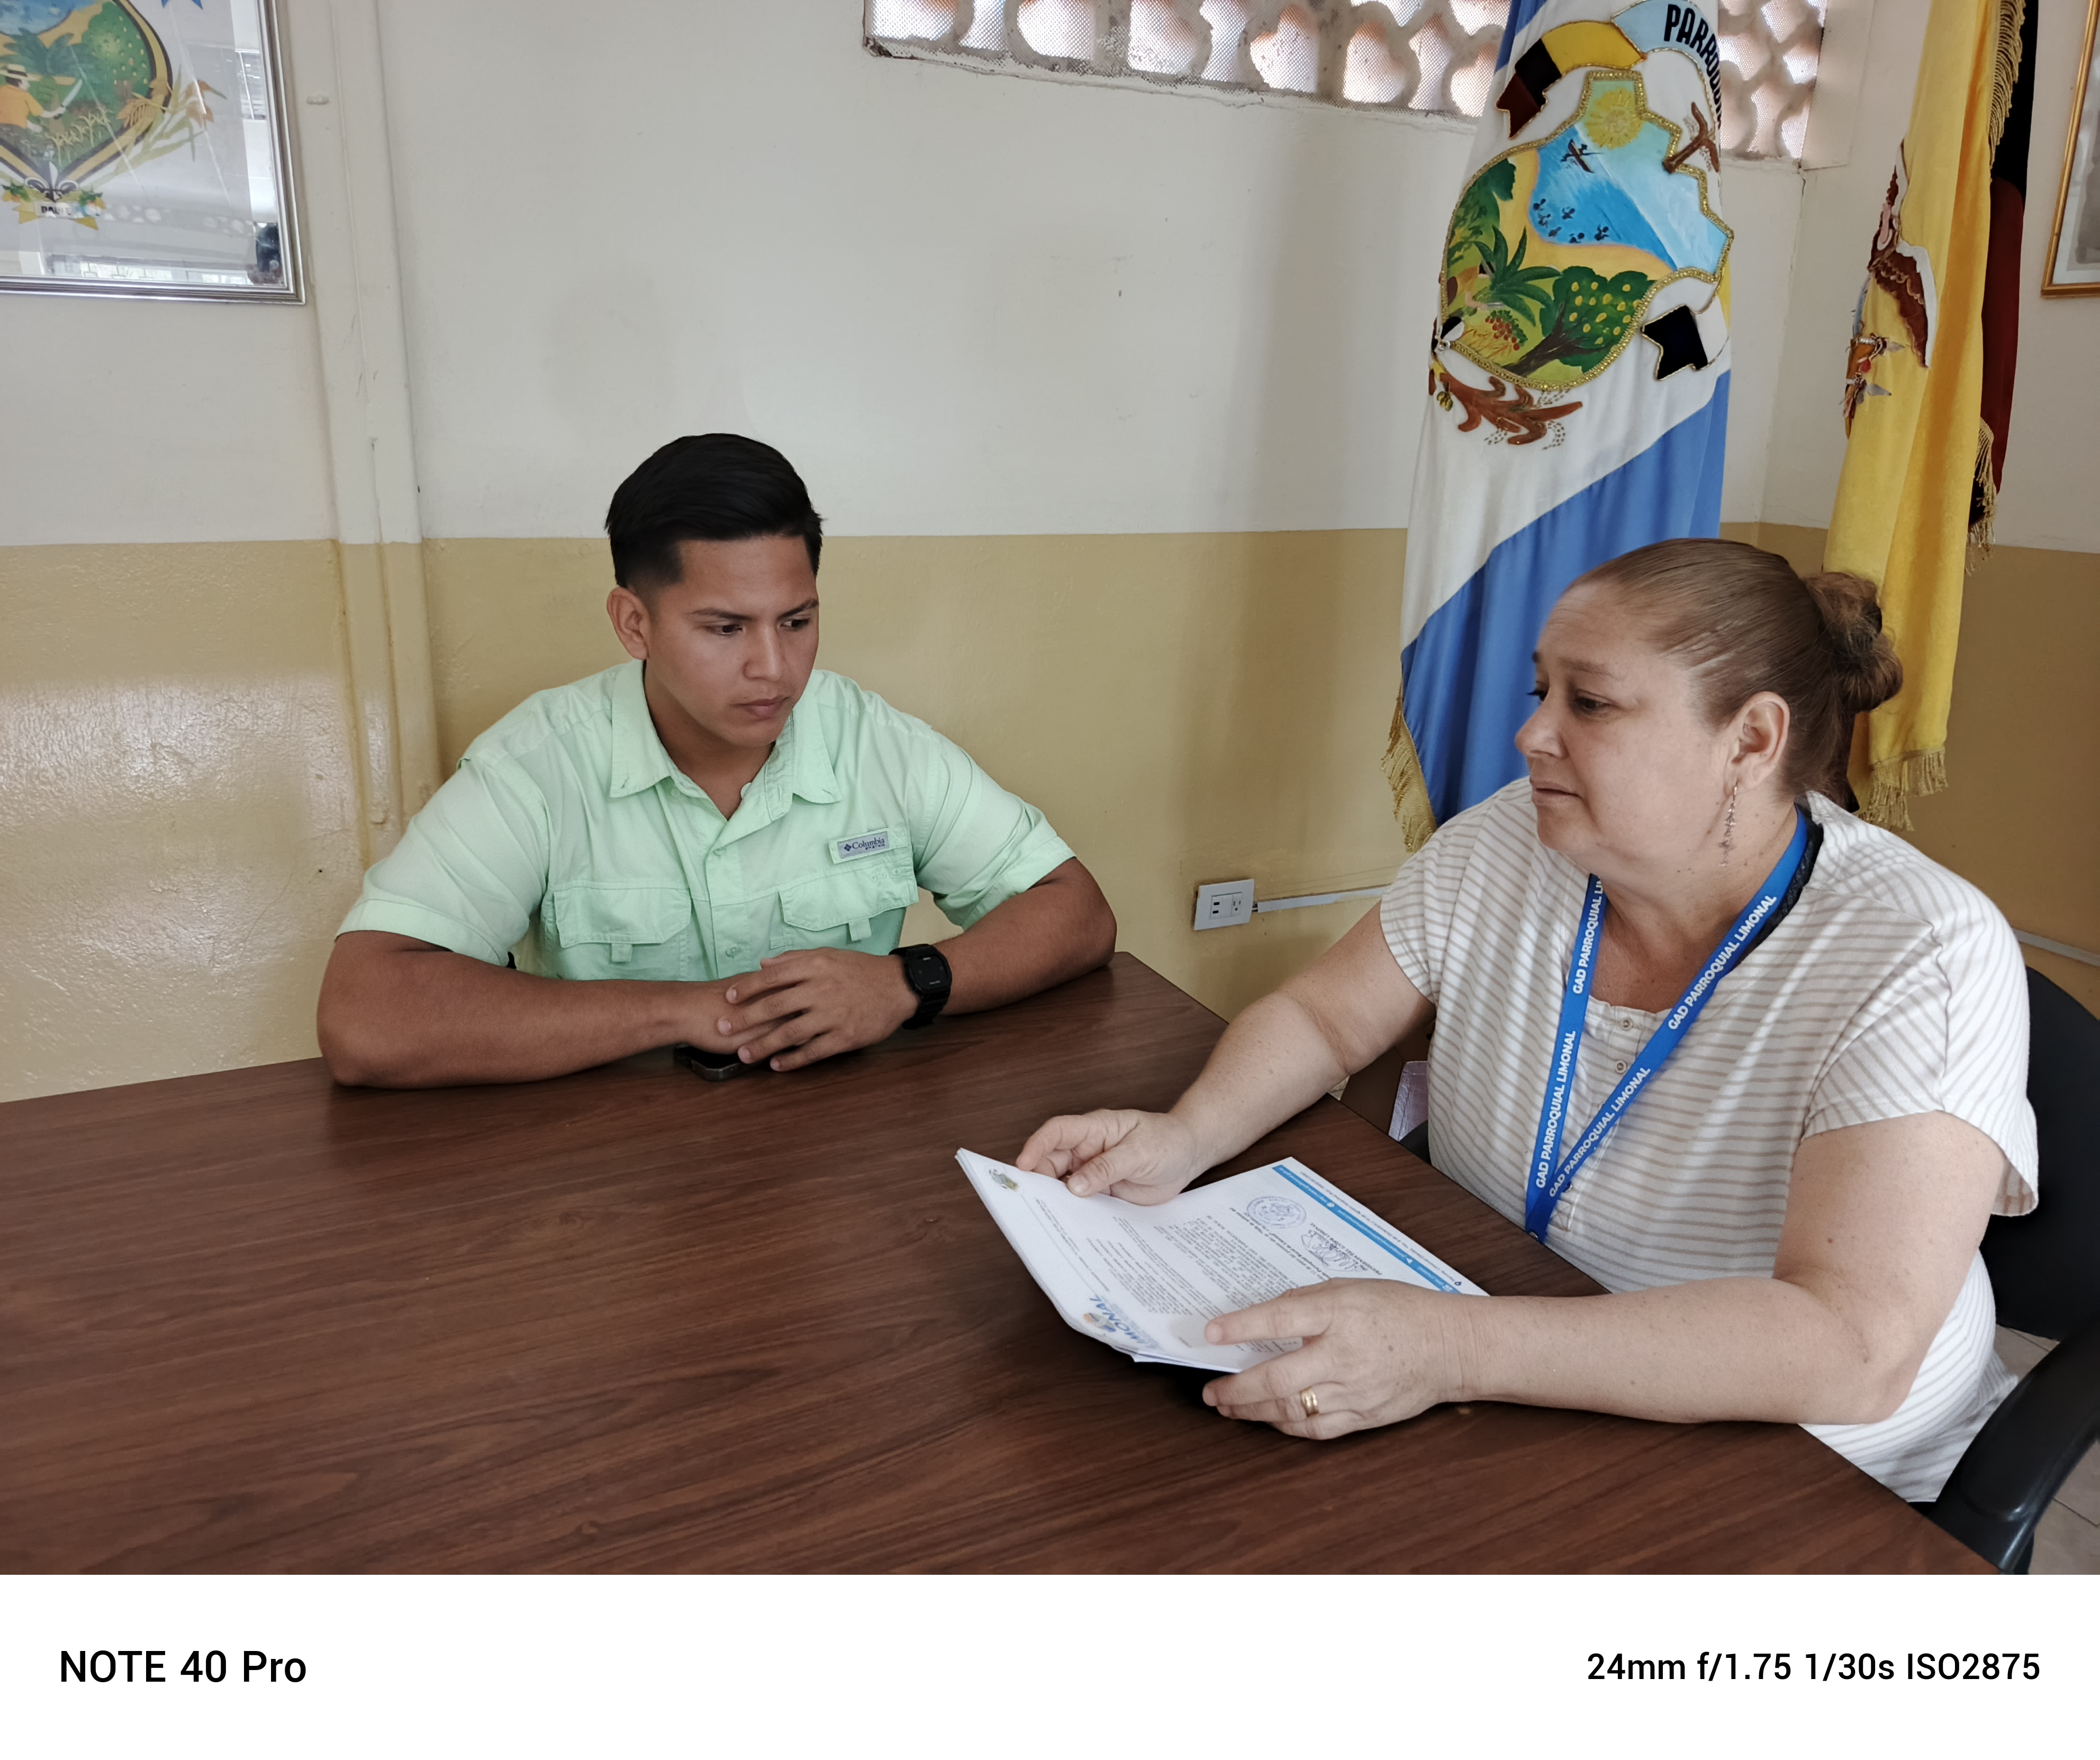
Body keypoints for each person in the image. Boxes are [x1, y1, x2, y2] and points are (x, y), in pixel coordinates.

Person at [1018, 538, 2036, 1502]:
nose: (1533, 734)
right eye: (1540, 691)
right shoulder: (1511, 838)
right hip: (1518, 1356)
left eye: (1589, 702)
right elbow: (1326, 1018)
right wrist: (1185, 1134)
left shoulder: (1923, 950)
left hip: (1794, 1463)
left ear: (1752, 740)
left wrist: (1452, 1345)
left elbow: (1851, 1348)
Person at [320, 434, 1115, 1087]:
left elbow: (1075, 911)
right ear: (634, 624)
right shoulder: (537, 764)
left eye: (796, 621)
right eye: (726, 629)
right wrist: (698, 1009)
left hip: (842, 1157)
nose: (775, 668)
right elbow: (366, 1013)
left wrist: (908, 982)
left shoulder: (874, 740)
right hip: (607, 1173)